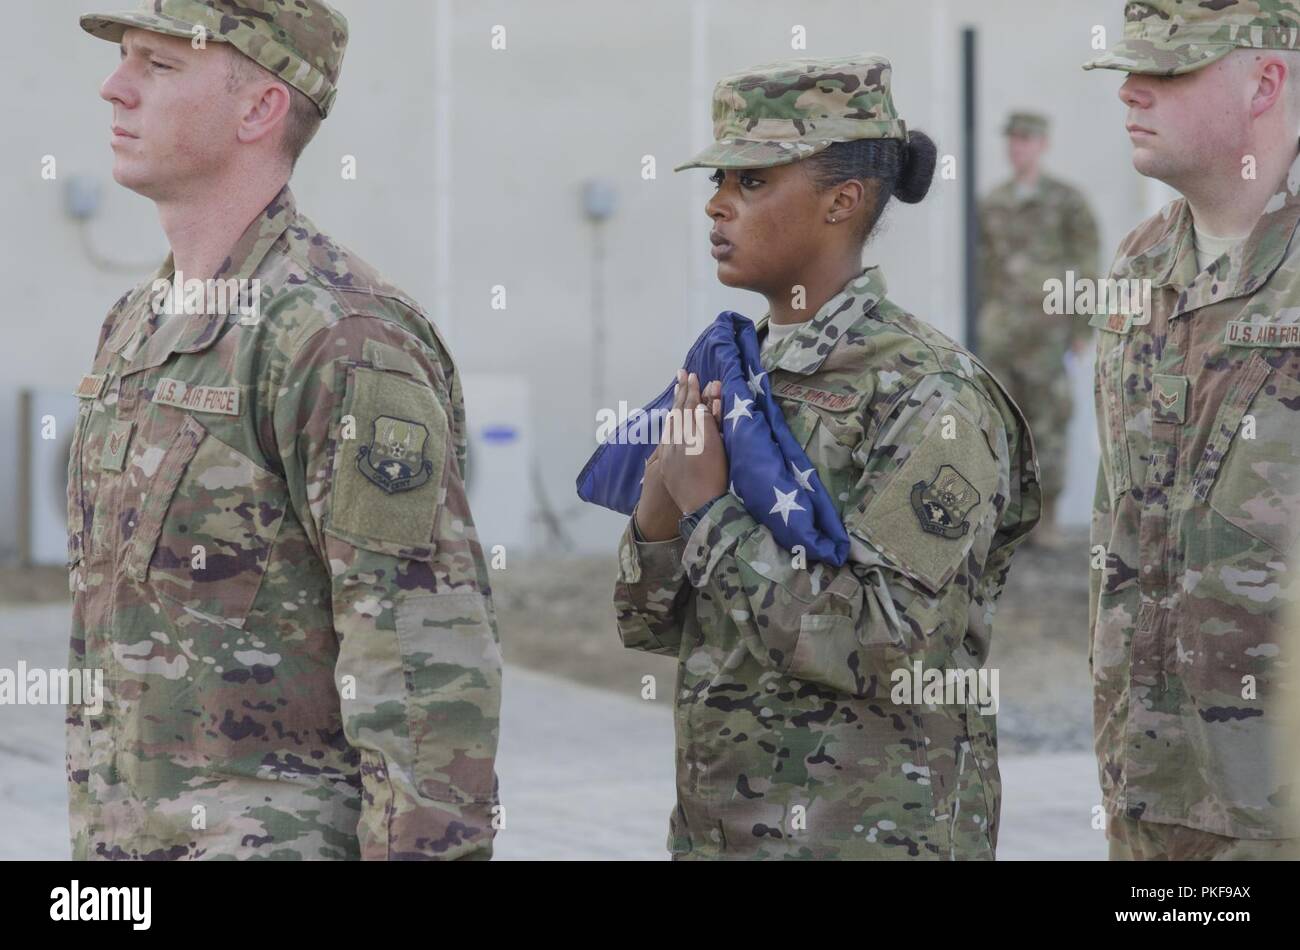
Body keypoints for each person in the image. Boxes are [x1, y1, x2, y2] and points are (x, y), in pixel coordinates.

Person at [67, 0, 502, 860]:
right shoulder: (136, 324)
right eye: (125, 59)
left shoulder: (338, 336)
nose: (114, 89)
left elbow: (423, 668)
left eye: (158, 66)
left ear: (259, 109)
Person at [612, 54, 1041, 859]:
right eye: (720, 180)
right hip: (723, 833)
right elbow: (651, 622)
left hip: (871, 837)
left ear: (842, 201)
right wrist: (660, 515)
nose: (716, 204)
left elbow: (887, 641)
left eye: (751, 181)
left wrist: (709, 512)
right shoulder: (739, 372)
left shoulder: (932, 395)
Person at [1083, 0, 1300, 859]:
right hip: (1149, 789)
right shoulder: (1139, 264)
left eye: (1168, 71)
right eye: (1130, 70)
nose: (1132, 92)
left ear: (1266, 82)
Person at [978, 112, 1100, 548]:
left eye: (1026, 140)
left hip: (1047, 334)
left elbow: (1087, 263)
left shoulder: (1066, 201)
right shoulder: (993, 202)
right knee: (1000, 426)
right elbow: (983, 267)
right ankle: (1007, 518)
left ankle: (1044, 520)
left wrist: (1082, 325)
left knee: (1047, 423)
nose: (1018, 148)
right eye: (1012, 140)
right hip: (1002, 334)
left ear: (1043, 144)